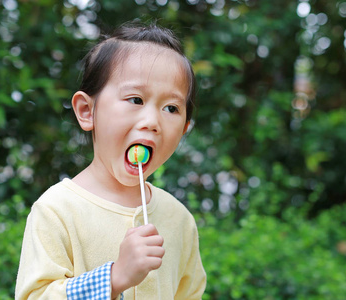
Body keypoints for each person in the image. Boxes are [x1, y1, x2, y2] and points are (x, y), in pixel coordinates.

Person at [15, 21, 206, 300]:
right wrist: (114, 278)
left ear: (185, 127)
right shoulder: (56, 211)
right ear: (86, 111)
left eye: (171, 108)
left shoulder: (179, 220)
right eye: (136, 99)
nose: (152, 122)